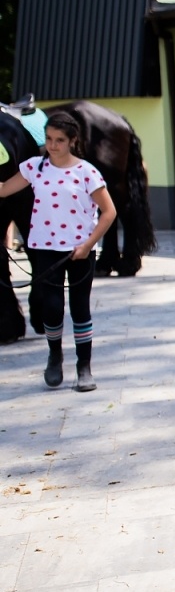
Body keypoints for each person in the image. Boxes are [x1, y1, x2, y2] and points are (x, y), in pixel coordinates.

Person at [0, 112, 116, 390]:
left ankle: (84, 367)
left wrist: (88, 245)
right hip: (45, 250)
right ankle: (54, 357)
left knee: (80, 309)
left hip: (80, 251)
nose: (52, 146)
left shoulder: (87, 172)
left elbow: (109, 212)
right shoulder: (34, 167)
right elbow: (3, 189)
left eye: (59, 140)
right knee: (51, 310)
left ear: (72, 141)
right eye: (49, 139)